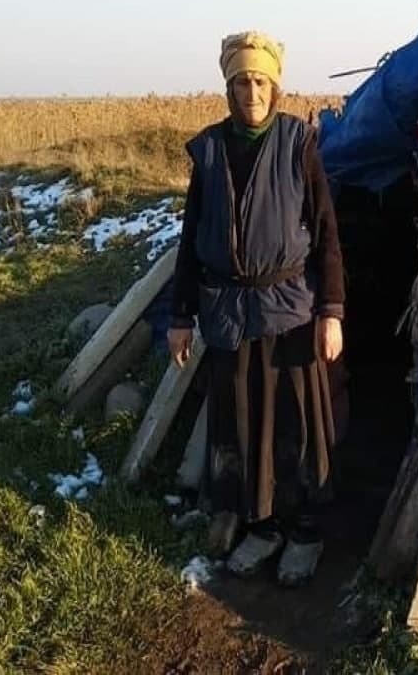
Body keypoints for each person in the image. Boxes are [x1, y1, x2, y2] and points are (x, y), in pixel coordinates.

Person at [167, 30, 345, 585]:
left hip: (289, 312)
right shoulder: (211, 149)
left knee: (296, 426)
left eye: (260, 80)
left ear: (276, 86)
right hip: (227, 313)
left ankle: (304, 533)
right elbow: (192, 235)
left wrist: (332, 311)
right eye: (241, 81)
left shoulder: (298, 144)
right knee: (243, 430)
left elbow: (326, 234)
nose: (251, 91)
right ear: (228, 87)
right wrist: (180, 315)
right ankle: (262, 528)